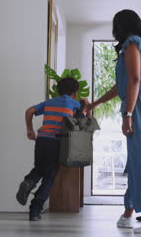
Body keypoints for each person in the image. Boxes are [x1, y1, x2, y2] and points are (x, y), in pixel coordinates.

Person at [88, 9, 141, 234]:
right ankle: (129, 212)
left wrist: (129, 114)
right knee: (137, 160)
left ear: (120, 27)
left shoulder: (132, 44)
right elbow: (122, 85)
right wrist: (94, 104)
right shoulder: (140, 45)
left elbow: (135, 79)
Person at [16, 77, 87, 221]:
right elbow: (85, 121)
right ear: (75, 93)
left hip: (42, 139)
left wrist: (30, 129)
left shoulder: (49, 102)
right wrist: (86, 105)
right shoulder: (74, 103)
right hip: (58, 141)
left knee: (39, 168)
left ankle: (28, 182)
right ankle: (35, 210)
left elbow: (29, 111)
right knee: (49, 176)